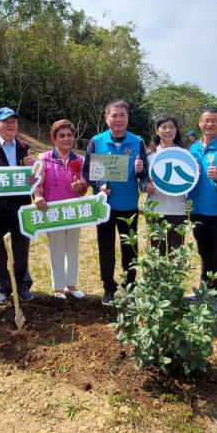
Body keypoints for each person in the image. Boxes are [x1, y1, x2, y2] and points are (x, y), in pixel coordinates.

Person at [83, 99, 149, 306]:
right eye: (114, 115)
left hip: (128, 205)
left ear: (128, 118)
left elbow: (145, 174)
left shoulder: (137, 142)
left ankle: (130, 286)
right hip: (104, 206)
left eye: (122, 115)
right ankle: (108, 288)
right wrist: (99, 184)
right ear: (106, 118)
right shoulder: (97, 141)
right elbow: (87, 170)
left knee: (130, 248)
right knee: (105, 247)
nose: (118, 120)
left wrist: (140, 171)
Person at [0, 107, 36, 305]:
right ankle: (2, 286)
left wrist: (32, 166)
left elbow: (33, 180)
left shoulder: (24, 147)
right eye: (6, 121)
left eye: (14, 121)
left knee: (21, 248)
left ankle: (21, 285)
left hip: (21, 208)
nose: (11, 125)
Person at [32, 119, 89, 299]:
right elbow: (35, 182)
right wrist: (38, 196)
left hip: (73, 210)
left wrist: (82, 186)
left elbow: (85, 184)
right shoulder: (43, 158)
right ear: (54, 139)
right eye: (62, 136)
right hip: (53, 210)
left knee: (73, 247)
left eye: (69, 135)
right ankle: (58, 288)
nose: (66, 139)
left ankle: (71, 285)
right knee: (56, 248)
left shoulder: (80, 160)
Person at [187, 107, 217, 297]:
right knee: (204, 254)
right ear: (200, 123)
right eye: (206, 120)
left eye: (214, 120)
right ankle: (203, 291)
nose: (209, 124)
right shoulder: (193, 149)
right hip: (198, 210)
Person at [144, 114, 187, 254]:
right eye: (164, 127)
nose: (168, 130)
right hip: (155, 210)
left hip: (179, 210)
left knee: (176, 254)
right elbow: (142, 180)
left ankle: (175, 277)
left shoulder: (186, 154)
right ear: (157, 130)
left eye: (171, 127)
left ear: (176, 130)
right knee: (156, 253)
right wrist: (145, 186)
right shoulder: (149, 154)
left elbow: (192, 181)